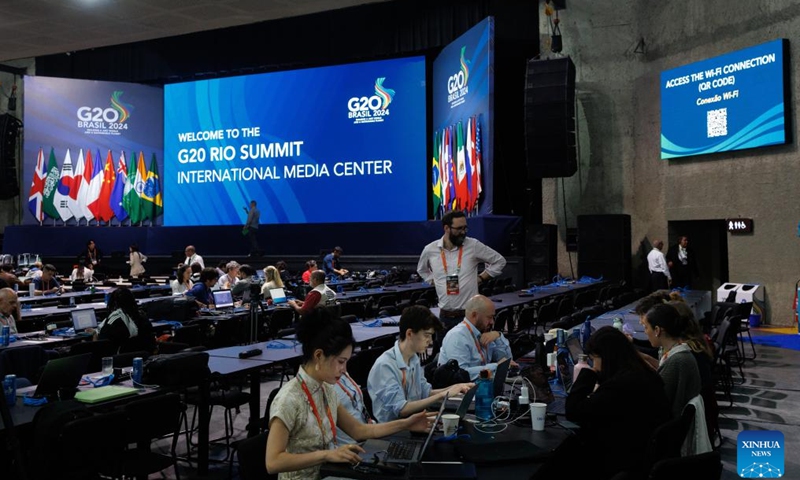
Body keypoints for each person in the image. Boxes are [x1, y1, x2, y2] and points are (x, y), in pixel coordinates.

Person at [266, 308, 433, 480]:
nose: (344, 369)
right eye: (340, 362)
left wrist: (406, 424)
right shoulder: (289, 399)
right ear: (319, 355)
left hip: (330, 473)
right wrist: (326, 455)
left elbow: (359, 431)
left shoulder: (326, 390)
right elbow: (273, 462)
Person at [533, 327, 671, 480]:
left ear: (607, 357)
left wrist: (588, 373)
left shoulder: (621, 385)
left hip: (618, 459)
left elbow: (574, 411)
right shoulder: (643, 374)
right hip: (637, 454)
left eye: (595, 359)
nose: (595, 365)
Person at [368, 305, 474, 422]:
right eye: (426, 335)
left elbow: (425, 393)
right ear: (409, 334)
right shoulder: (385, 365)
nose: (430, 341)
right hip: (392, 431)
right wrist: (443, 394)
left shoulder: (413, 358)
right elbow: (402, 409)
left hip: (414, 421)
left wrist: (455, 388)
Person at [417, 210, 506, 329]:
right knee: (444, 347)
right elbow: (422, 269)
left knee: (472, 347)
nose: (463, 232)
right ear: (447, 228)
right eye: (459, 228)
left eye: (465, 228)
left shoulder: (473, 245)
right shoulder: (430, 249)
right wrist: (432, 280)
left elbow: (499, 261)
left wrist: (481, 278)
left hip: (469, 317)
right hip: (445, 317)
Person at [642, 303, 702, 419]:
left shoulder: (677, 361)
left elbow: (657, 402)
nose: (645, 332)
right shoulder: (677, 351)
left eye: (646, 327)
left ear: (657, 330)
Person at [437, 295, 513, 380]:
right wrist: (496, 366)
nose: (492, 322)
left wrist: (498, 336)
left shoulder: (484, 332)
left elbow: (508, 361)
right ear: (474, 315)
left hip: (482, 384)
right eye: (489, 317)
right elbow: (461, 374)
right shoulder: (457, 337)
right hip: (460, 390)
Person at [95, 287, 155, 353]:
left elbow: (100, 347)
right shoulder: (143, 318)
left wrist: (94, 335)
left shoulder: (113, 323)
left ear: (114, 304)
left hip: (120, 361)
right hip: (145, 359)